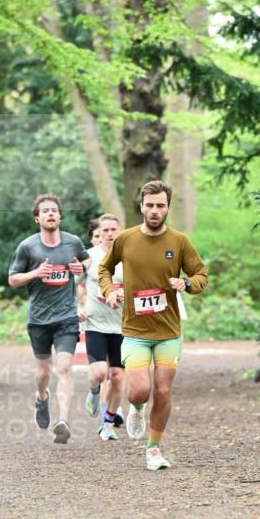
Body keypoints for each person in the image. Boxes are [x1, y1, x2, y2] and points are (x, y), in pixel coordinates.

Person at [98, 179, 207, 470]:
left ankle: (154, 448)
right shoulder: (125, 239)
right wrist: (110, 291)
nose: (155, 210)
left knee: (162, 390)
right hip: (135, 331)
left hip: (169, 332)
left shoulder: (179, 241)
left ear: (168, 207)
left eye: (160, 205)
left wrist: (185, 283)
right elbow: (104, 268)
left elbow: (200, 276)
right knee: (139, 391)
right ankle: (135, 409)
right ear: (142, 207)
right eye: (150, 205)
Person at [8, 194, 90, 444]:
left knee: (64, 368)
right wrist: (35, 273)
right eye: (45, 211)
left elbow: (87, 259)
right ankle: (41, 397)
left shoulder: (72, 242)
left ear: (60, 216)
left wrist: (82, 269)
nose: (50, 214)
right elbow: (12, 279)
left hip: (66, 316)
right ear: (37, 218)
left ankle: (63, 421)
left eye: (54, 210)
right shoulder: (28, 247)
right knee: (43, 370)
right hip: (39, 319)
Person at [81, 214, 125, 441]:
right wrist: (76, 308)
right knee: (99, 373)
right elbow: (73, 285)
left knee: (117, 376)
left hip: (122, 326)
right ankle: (94, 390)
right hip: (95, 324)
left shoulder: (129, 257)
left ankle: (107, 423)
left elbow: (139, 287)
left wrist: (123, 293)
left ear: (120, 231)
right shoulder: (89, 257)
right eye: (105, 230)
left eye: (113, 230)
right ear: (99, 232)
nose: (109, 234)